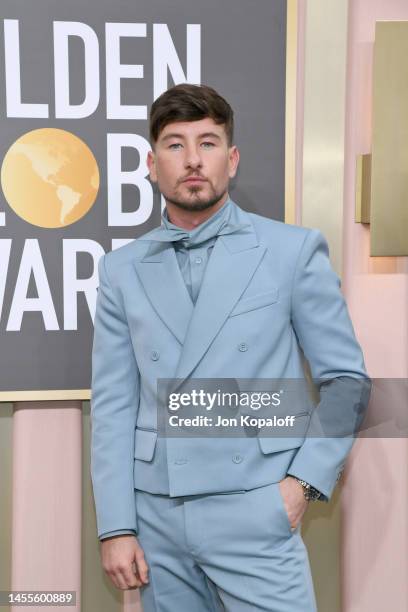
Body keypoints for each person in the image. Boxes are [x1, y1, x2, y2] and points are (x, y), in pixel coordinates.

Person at [90, 83, 370, 611]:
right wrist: (116, 525)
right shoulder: (120, 270)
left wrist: (299, 486)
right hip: (157, 518)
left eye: (208, 142)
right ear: (152, 163)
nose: (193, 160)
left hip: (255, 506)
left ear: (232, 158)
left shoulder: (291, 251)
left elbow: (347, 383)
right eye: (175, 145)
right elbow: (113, 405)